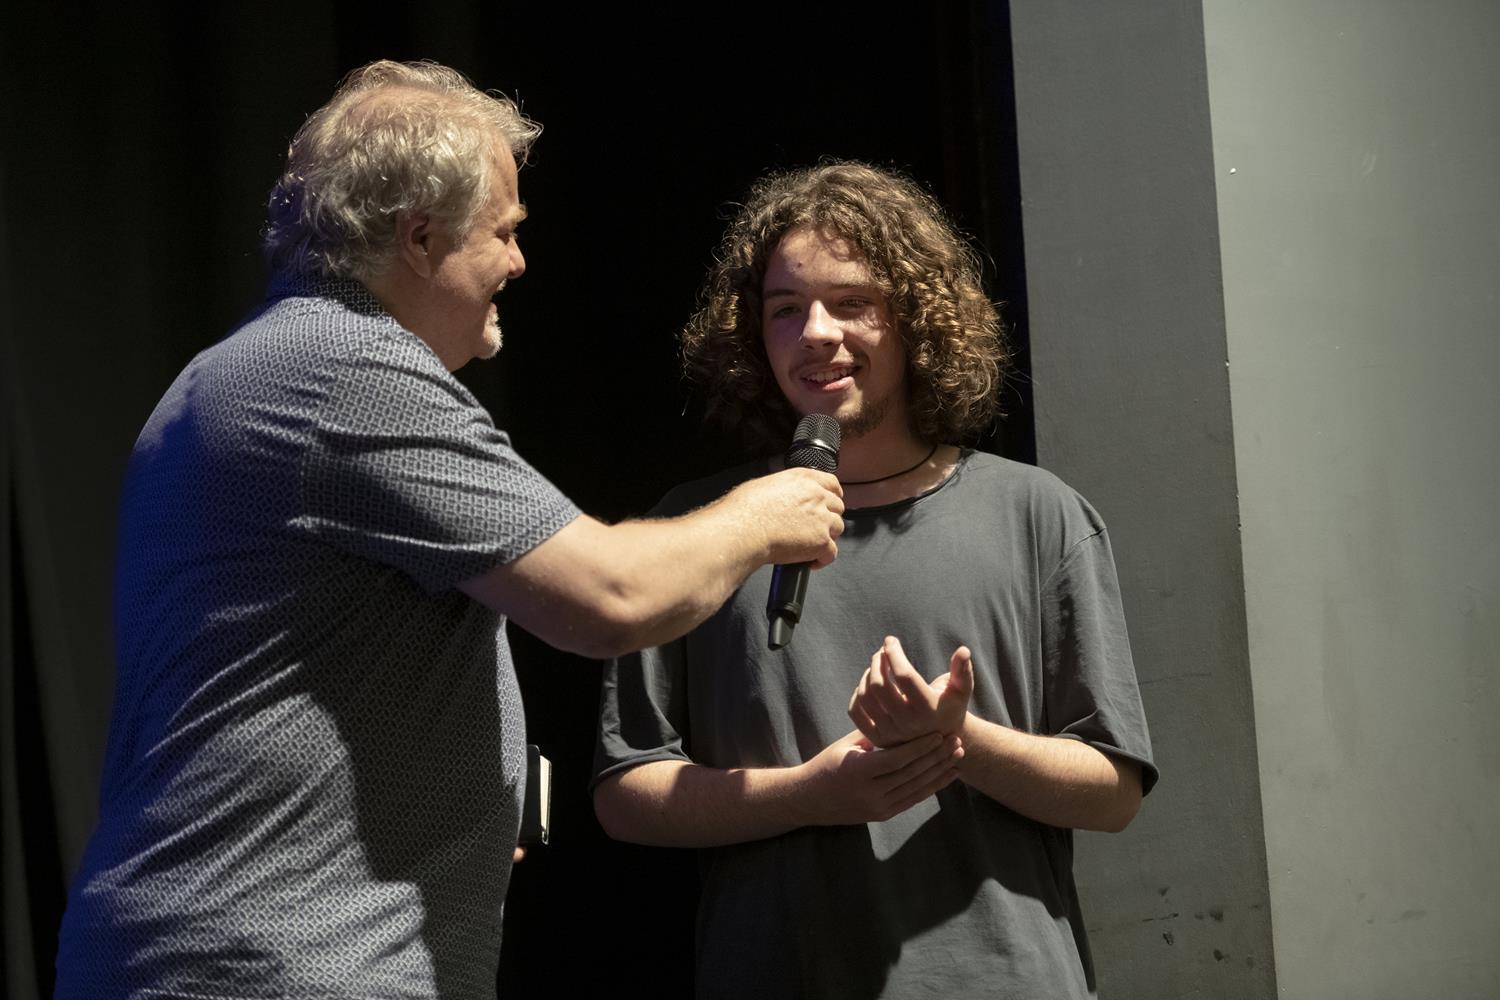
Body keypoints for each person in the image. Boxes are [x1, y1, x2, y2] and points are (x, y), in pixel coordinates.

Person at [53, 61, 843, 1000]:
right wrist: (769, 511)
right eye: (503, 231)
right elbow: (613, 597)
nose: (520, 262)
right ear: (420, 237)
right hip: (279, 966)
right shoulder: (346, 370)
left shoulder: (238, 371)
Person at [593, 161, 1157, 999]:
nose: (816, 332)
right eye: (786, 309)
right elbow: (626, 793)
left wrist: (957, 742)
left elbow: (1113, 792)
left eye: (852, 302)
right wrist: (808, 795)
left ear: (915, 320)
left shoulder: (1037, 514)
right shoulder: (697, 528)